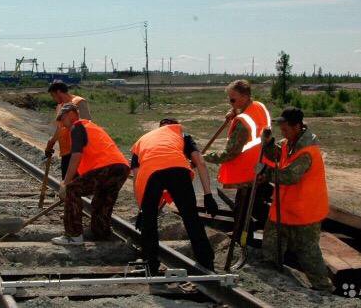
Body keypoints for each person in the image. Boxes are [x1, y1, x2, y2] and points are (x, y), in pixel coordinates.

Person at [261, 107, 334, 292]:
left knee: (308, 253)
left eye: (285, 129)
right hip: (285, 207)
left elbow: (290, 176)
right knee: (271, 241)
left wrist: (265, 173)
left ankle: (324, 289)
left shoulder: (307, 150)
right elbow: (279, 155)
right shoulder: (290, 143)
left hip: (305, 212)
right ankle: (271, 275)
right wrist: (269, 144)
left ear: (297, 126)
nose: (282, 132)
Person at [131, 118, 217, 272]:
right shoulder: (182, 135)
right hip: (178, 169)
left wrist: (142, 210)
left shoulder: (143, 140)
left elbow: (137, 178)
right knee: (191, 217)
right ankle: (206, 262)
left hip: (149, 172)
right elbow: (200, 163)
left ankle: (150, 264)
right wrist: (208, 195)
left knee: (149, 221)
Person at [52, 103, 130, 246]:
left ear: (70, 114)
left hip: (106, 167)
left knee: (72, 189)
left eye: (62, 119)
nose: (61, 123)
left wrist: (65, 183)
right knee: (102, 199)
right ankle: (101, 233)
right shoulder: (91, 127)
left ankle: (73, 235)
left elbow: (76, 156)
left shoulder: (77, 127)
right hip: (121, 168)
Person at [204, 79, 272, 241]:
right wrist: (235, 110)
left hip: (248, 171)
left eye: (233, 99)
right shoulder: (259, 107)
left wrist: (204, 157)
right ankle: (273, 231)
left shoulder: (243, 123)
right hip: (262, 165)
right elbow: (253, 117)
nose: (230, 102)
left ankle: (242, 240)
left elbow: (230, 153)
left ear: (244, 96)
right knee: (255, 205)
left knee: (243, 209)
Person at [44, 80, 92, 178]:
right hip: (65, 151)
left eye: (53, 96)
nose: (53, 99)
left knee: (75, 183)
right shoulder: (59, 107)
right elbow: (60, 128)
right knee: (67, 182)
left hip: (77, 150)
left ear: (58, 92)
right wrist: (51, 143)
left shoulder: (79, 102)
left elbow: (87, 126)